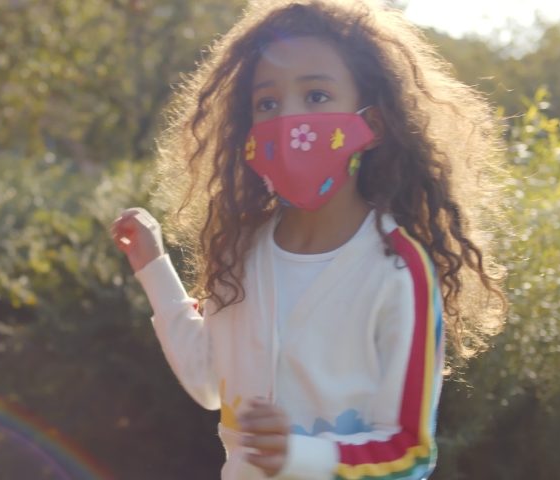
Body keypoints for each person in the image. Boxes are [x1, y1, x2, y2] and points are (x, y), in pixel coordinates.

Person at [112, 1, 506, 478]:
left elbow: (410, 452)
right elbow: (208, 381)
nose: (288, 121)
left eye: (316, 96)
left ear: (373, 125)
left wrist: (297, 456)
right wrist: (152, 265)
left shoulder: (400, 270)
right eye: (267, 104)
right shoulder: (240, 251)